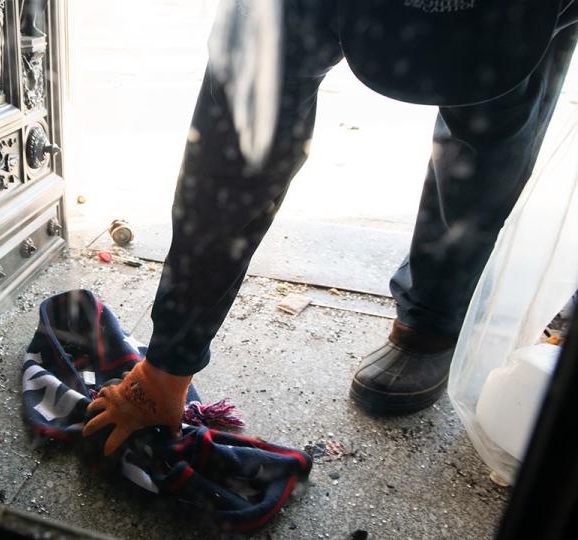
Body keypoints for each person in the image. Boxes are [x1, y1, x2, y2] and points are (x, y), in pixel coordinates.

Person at [83, 0, 578, 456]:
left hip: (515, 16)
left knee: (498, 126)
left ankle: (432, 322)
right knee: (250, 104)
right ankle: (175, 354)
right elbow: (237, 145)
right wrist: (169, 361)